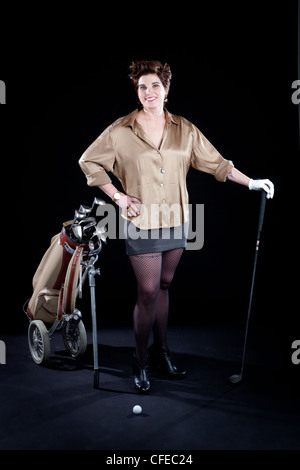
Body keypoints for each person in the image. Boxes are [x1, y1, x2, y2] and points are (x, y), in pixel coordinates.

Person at [79, 60, 274, 393]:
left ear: (166, 90)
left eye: (155, 85)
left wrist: (252, 182)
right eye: (142, 86)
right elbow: (88, 160)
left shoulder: (184, 129)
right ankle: (140, 361)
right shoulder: (120, 130)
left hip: (178, 219)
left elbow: (217, 163)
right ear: (136, 92)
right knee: (148, 291)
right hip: (141, 222)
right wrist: (117, 197)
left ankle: (161, 352)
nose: (149, 92)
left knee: (165, 285)